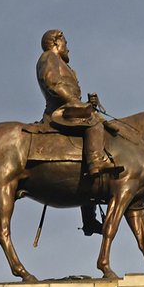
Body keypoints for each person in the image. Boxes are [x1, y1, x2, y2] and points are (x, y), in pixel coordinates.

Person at [36, 29, 115, 180]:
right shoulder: (49, 57)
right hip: (58, 112)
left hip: (68, 108)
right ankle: (96, 162)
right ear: (56, 42)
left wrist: (87, 104)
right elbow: (52, 83)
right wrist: (75, 102)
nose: (68, 48)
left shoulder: (66, 67)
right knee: (94, 124)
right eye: (65, 43)